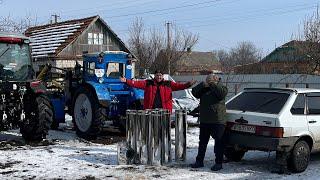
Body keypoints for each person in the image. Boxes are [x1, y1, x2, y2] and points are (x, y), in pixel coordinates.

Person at [190, 73, 228, 171]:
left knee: (219, 142)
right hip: (205, 120)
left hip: (218, 120)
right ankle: (199, 161)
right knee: (202, 142)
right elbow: (194, 93)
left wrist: (213, 84)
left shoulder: (222, 87)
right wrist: (202, 84)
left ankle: (218, 163)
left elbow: (221, 94)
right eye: (207, 79)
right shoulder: (204, 88)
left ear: (216, 79)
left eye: (210, 79)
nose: (208, 81)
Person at [119, 70, 196, 112]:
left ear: (162, 76)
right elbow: (136, 83)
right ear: (154, 76)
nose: (159, 77)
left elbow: (180, 86)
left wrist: (188, 84)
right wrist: (126, 81)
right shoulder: (148, 83)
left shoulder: (168, 83)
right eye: (157, 75)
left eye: (160, 75)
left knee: (163, 130)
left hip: (165, 111)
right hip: (150, 110)